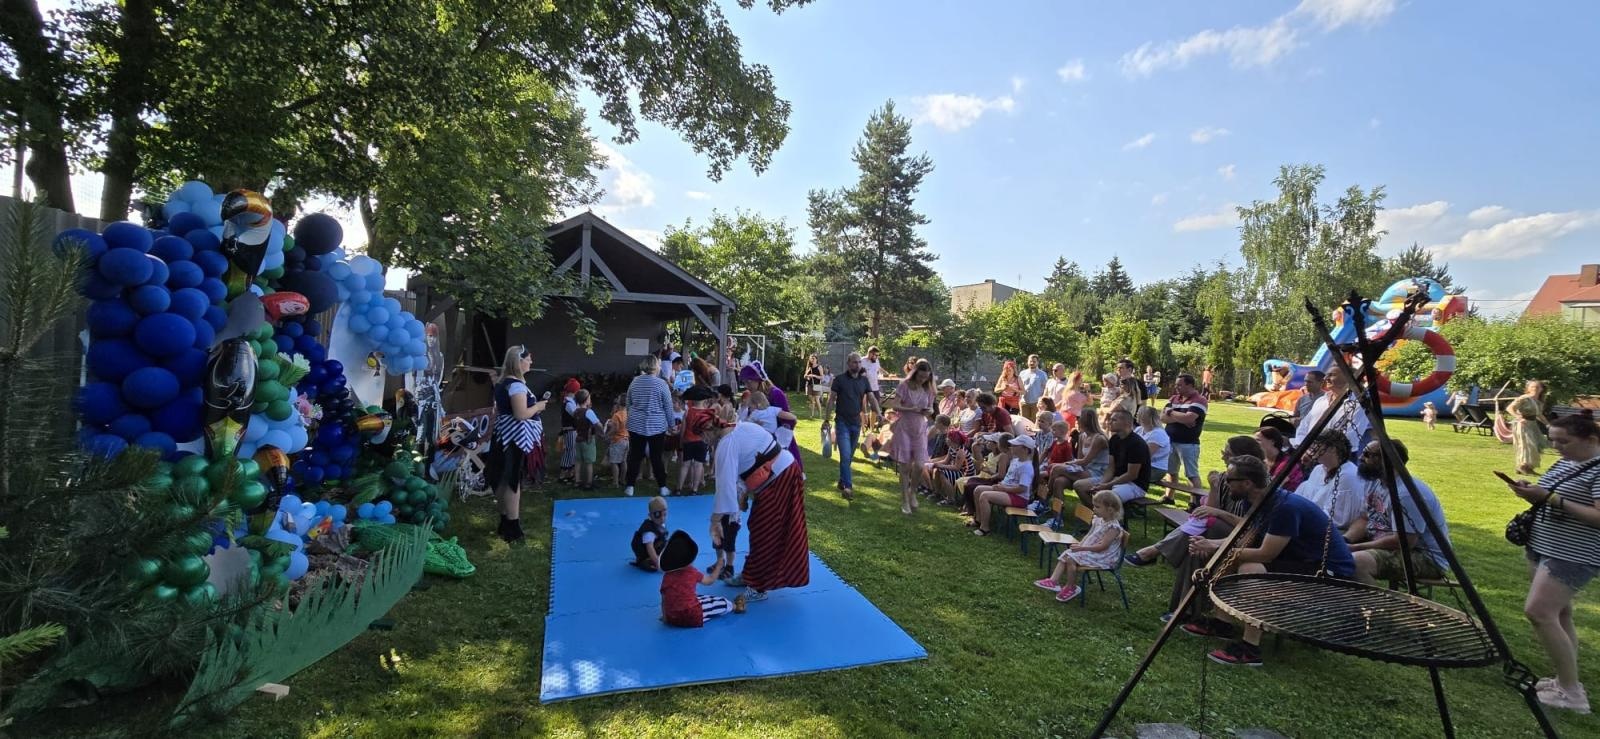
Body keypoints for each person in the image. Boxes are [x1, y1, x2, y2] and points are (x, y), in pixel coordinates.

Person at [1185, 455, 1356, 667]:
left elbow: (1265, 555)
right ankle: (1223, 624)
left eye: (1229, 479)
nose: (1224, 483)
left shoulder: (1284, 507)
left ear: (1247, 483)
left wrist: (1214, 547)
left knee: (1251, 567)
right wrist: (1213, 545)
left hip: (1328, 571)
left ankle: (1250, 649)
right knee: (1231, 557)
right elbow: (1248, 536)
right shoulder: (1258, 499)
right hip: (1299, 561)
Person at [1505, 414, 1600, 712]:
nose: (1556, 446)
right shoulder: (1568, 462)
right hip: (1544, 545)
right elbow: (1549, 495)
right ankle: (1564, 681)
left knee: (1539, 612)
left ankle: (1572, 695)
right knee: (1560, 615)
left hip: (1573, 554)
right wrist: (1530, 492)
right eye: (1552, 439)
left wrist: (1550, 499)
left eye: (1564, 441)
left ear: (1591, 440)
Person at [717, 421, 809, 602]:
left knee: (764, 530)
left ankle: (758, 586)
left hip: (781, 477)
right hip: (777, 476)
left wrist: (716, 520)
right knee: (758, 527)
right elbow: (745, 470)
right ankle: (751, 575)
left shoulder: (729, 442)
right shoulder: (740, 427)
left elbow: (727, 486)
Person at [1347, 440, 1452, 585]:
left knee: (1356, 563)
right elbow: (1365, 519)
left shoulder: (1406, 494)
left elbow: (1404, 541)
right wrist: (1345, 540)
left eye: (1367, 454)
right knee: (1328, 547)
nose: (1360, 458)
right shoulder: (1375, 482)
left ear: (1386, 460)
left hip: (1424, 556)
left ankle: (1375, 606)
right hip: (1387, 543)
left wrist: (1354, 548)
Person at [486, 346, 548, 543]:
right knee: (512, 480)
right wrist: (537, 406)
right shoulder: (516, 386)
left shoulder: (503, 383)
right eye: (528, 359)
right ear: (518, 362)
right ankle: (513, 526)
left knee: (502, 478)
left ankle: (505, 521)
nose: (530, 362)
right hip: (514, 440)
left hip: (503, 437)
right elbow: (520, 414)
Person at [1034, 490, 1126, 602]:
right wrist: (1081, 544)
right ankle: (1054, 581)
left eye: (1097, 507)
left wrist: (1083, 548)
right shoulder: (1099, 520)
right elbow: (1090, 534)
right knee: (1068, 554)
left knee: (1071, 558)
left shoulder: (1113, 527)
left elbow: (1103, 547)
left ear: (1110, 509)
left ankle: (1071, 587)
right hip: (1093, 551)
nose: (1094, 509)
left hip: (1104, 557)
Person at [658, 530, 740, 627]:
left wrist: (665, 617)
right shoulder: (692, 572)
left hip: (672, 617)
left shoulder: (667, 576)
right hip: (692, 617)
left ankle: (670, 617)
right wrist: (718, 566)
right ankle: (734, 606)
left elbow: (664, 599)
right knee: (718, 603)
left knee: (698, 597)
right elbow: (710, 580)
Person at [623, 355, 675, 498]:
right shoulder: (661, 384)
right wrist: (671, 425)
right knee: (656, 457)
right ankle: (662, 486)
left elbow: (629, 402)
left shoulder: (635, 382)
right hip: (656, 425)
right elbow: (668, 407)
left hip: (636, 424)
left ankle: (630, 486)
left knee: (635, 455)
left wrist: (631, 416)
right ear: (656, 366)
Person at [1075, 408, 1150, 505]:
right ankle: (1096, 515)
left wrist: (1107, 485)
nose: (1109, 422)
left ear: (1126, 423)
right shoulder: (1114, 439)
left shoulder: (1137, 444)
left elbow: (1132, 475)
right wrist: (1102, 483)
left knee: (1107, 496)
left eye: (1114, 420)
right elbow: (1110, 468)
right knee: (1079, 485)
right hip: (1116, 479)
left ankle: (1111, 519)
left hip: (1135, 484)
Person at [739, 361, 802, 474]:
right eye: (745, 382)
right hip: (761, 441)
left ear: (757, 380)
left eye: (749, 382)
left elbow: (787, 419)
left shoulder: (775, 393)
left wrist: (777, 437)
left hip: (779, 439)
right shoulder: (752, 396)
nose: (747, 386)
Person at [1044, 409, 1110, 518]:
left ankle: (1044, 499)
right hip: (1084, 470)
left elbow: (1085, 461)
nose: (1076, 421)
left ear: (1086, 421)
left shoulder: (1099, 439)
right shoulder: (1082, 436)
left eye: (1079, 419)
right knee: (1059, 481)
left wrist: (1063, 465)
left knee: (1056, 469)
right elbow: (1080, 460)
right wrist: (1066, 465)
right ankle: (1057, 517)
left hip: (1097, 473)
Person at [891, 359, 936, 515]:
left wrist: (928, 411)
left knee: (919, 465)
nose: (923, 380)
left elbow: (930, 408)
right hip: (904, 427)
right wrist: (910, 408)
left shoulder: (929, 389)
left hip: (920, 429)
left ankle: (912, 492)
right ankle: (904, 501)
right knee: (905, 467)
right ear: (915, 372)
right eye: (920, 376)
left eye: (926, 377)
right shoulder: (904, 385)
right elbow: (894, 405)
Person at [1295, 430, 1365, 530]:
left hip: (1329, 530)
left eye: (1318, 445)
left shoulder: (1347, 475)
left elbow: (1338, 519)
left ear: (1332, 449)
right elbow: (1303, 497)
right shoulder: (1318, 470)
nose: (1313, 449)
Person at [826, 352, 873, 500]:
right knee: (845, 455)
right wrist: (827, 419)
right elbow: (831, 400)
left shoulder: (864, 381)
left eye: (859, 362)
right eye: (854, 362)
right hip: (842, 423)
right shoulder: (839, 380)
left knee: (849, 456)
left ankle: (842, 480)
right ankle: (848, 487)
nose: (857, 365)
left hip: (856, 424)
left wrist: (877, 413)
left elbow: (870, 399)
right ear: (848, 363)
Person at [969, 436, 1037, 536]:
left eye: (1015, 445)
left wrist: (1004, 488)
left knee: (984, 496)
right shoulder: (1016, 461)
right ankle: (978, 520)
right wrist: (1002, 485)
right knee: (978, 489)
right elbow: (1009, 478)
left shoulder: (1026, 467)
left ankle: (985, 528)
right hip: (1007, 491)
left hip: (1018, 498)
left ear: (1025, 449)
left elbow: (1022, 488)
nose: (1011, 447)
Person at [1292, 369, 1368, 454]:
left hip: (1337, 457)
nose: (1326, 378)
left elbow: (1349, 437)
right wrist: (1301, 446)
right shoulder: (1321, 400)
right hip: (1307, 452)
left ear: (1347, 378)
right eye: (1327, 374)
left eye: (1332, 375)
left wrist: (1315, 451)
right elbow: (1304, 426)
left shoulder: (1358, 405)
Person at [1161, 373, 1208, 490]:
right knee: (1171, 472)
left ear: (1190, 385)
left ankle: (1195, 501)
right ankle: (1169, 497)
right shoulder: (1174, 398)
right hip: (1170, 441)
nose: (1176, 387)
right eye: (1176, 385)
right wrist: (1181, 418)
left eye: (1180, 385)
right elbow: (1162, 418)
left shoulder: (1200, 400)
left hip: (1189, 443)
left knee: (1191, 475)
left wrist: (1170, 412)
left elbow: (1189, 418)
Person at [677, 385, 720, 496]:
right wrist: (710, 441)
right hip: (701, 442)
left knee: (685, 465)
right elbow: (710, 429)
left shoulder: (688, 412)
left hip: (688, 441)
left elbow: (683, 429)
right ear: (704, 399)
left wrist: (681, 441)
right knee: (698, 465)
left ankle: (679, 489)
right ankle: (694, 490)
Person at [1511, 379, 1551, 475]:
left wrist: (1548, 424)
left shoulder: (1539, 402)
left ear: (1541, 389)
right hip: (1523, 424)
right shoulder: (1524, 398)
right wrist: (1519, 418)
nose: (1535, 389)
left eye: (1537, 387)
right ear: (1528, 388)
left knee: (1536, 446)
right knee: (1528, 446)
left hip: (1533, 424)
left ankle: (1525, 466)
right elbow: (1510, 408)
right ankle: (1524, 467)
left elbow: (1539, 414)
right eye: (1532, 387)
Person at [1135, 406, 1173, 503]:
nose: (1137, 414)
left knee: (1128, 474)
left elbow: (1146, 456)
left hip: (1155, 468)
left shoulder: (1158, 433)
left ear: (1147, 417)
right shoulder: (1139, 429)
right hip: (1141, 465)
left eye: (1140, 413)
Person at [1253, 426, 1304, 491]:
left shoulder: (1287, 464)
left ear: (1272, 441)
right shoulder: (1260, 460)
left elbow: (1268, 487)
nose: (1254, 443)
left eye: (1258, 440)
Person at [630, 496, 670, 570]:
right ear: (650, 516)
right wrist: (658, 563)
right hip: (644, 552)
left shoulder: (659, 523)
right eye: (658, 515)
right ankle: (643, 561)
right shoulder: (649, 531)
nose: (662, 518)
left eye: (665, 514)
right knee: (651, 566)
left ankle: (659, 555)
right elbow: (650, 548)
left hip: (657, 545)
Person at [573, 389, 601, 490]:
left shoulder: (575, 411)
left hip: (578, 439)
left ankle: (577, 481)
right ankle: (589, 482)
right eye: (589, 398)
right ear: (586, 400)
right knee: (589, 462)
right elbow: (597, 424)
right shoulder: (588, 412)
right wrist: (602, 431)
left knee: (578, 461)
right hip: (588, 440)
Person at [558, 377, 582, 483]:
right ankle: (563, 474)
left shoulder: (570, 401)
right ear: (575, 391)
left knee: (572, 451)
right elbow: (575, 414)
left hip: (572, 430)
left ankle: (569, 473)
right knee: (569, 451)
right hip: (569, 430)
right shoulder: (569, 403)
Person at [604, 402, 629, 484]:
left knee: (614, 462)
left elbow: (615, 429)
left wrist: (607, 435)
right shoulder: (628, 413)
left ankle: (615, 483)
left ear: (620, 403)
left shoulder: (617, 415)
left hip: (617, 440)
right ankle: (622, 480)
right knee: (624, 461)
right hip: (626, 440)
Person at [1018, 354, 1048, 421]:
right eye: (1030, 361)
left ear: (1037, 362)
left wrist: (1042, 402)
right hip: (1024, 403)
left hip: (1036, 403)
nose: (1032, 363)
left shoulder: (1042, 374)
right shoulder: (1022, 373)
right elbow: (1019, 387)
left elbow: (1046, 388)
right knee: (1024, 422)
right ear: (1027, 362)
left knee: (1035, 422)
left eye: (1034, 361)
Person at [862, 345, 885, 414]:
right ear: (870, 353)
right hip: (864, 388)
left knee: (875, 408)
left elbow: (879, 368)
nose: (877, 357)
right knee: (863, 408)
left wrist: (887, 373)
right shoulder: (862, 361)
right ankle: (863, 424)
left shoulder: (876, 360)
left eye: (878, 355)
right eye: (876, 355)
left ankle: (872, 424)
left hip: (875, 388)